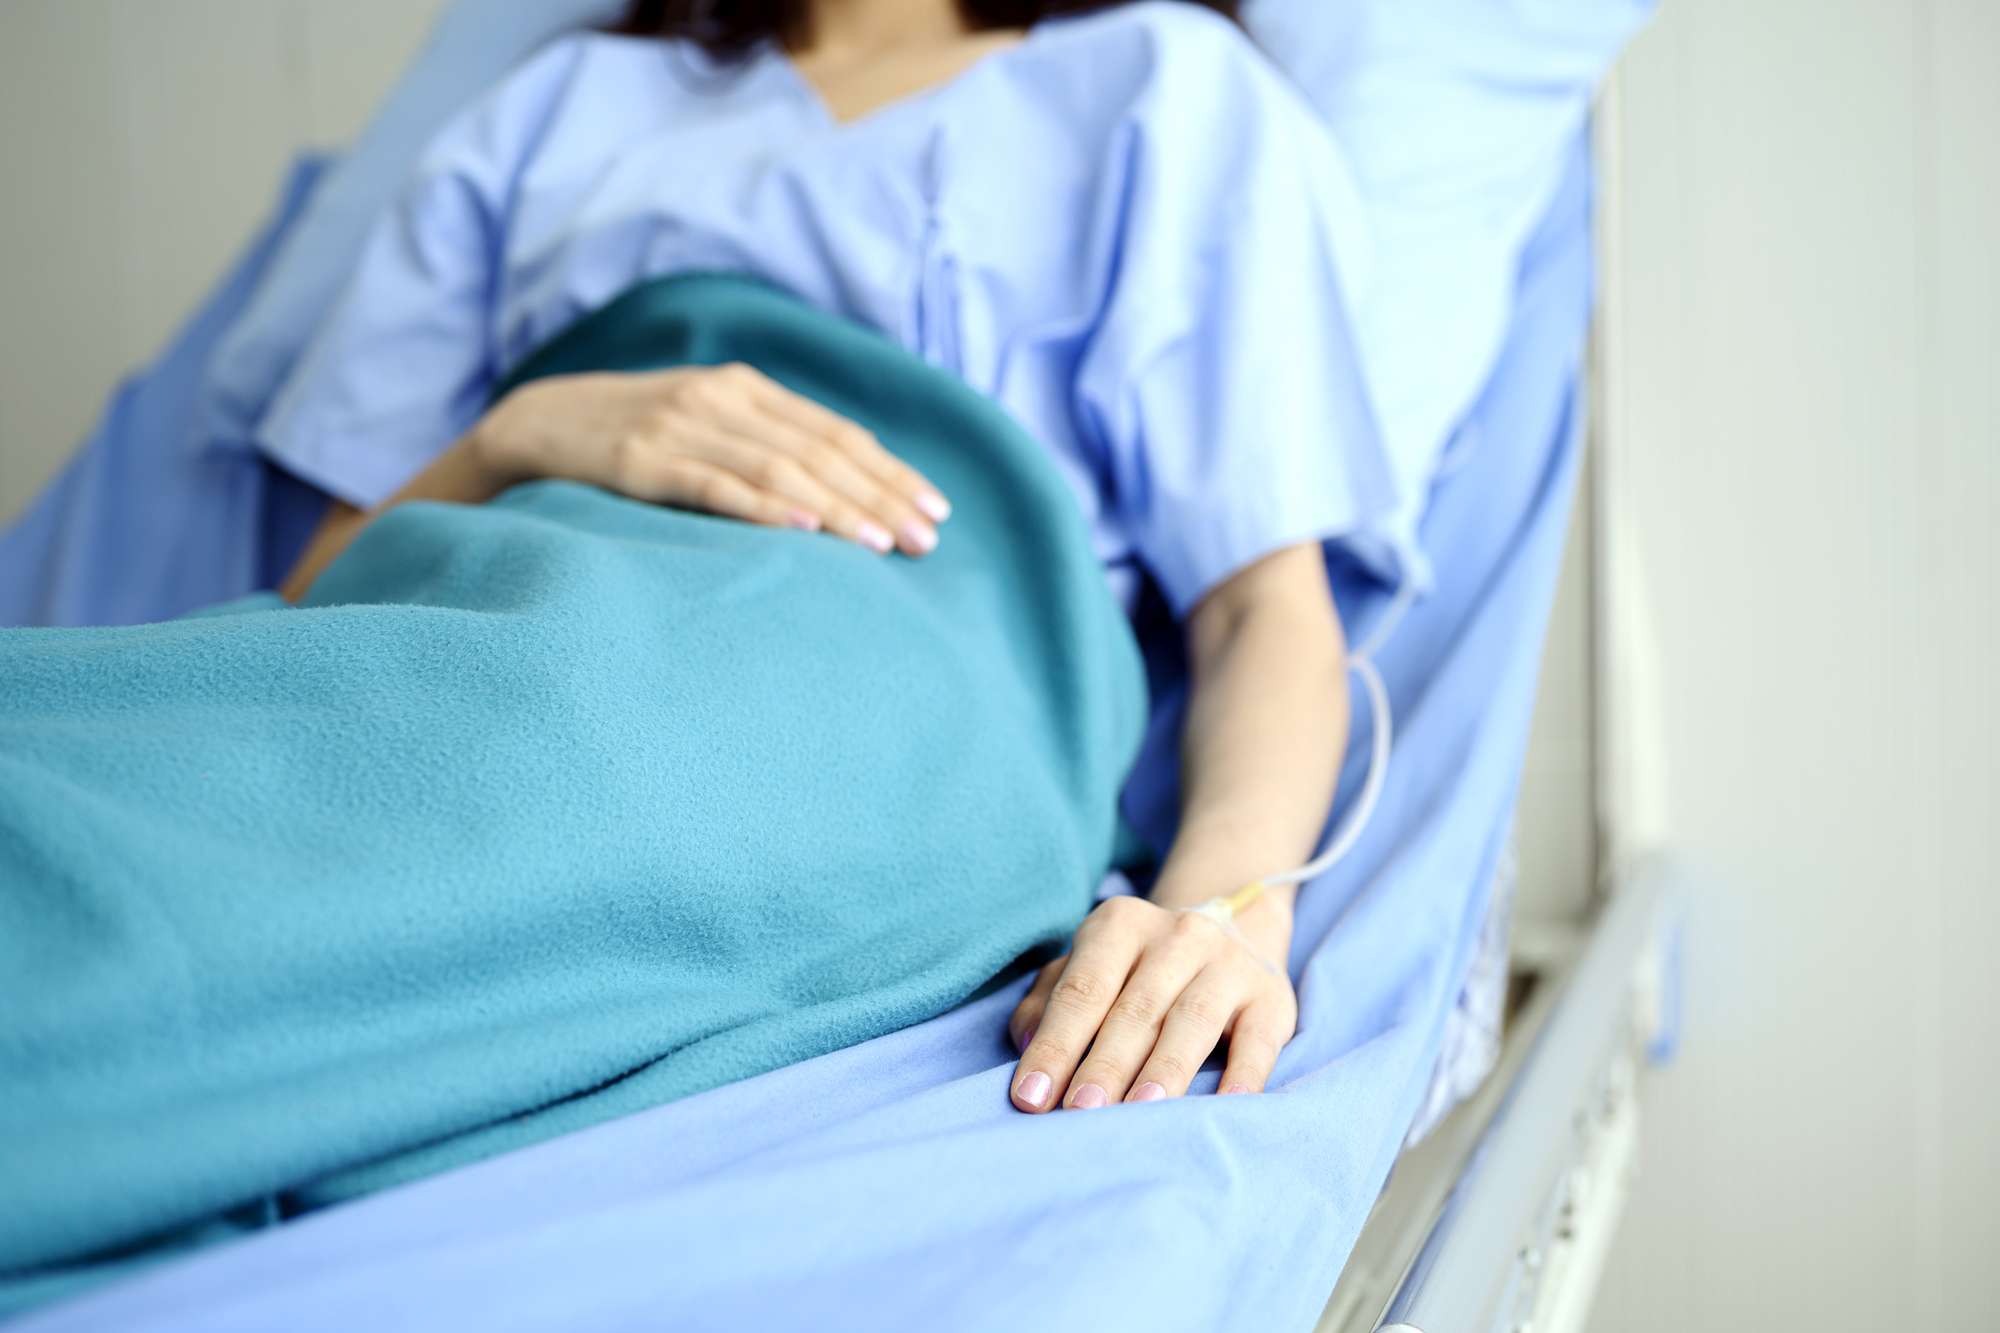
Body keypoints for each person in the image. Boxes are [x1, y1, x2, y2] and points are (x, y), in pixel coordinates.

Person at [270, 0, 1398, 1116]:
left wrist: (1218, 912)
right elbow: (323, 587)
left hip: (840, 714)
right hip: (448, 648)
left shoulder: (1161, 83)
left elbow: (1259, 608)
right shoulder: (550, 109)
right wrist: (512, 436)